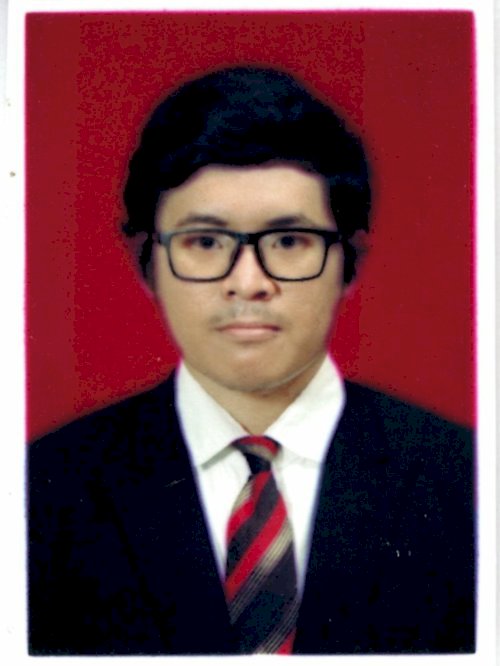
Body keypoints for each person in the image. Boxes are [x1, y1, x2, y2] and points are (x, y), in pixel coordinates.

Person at [28, 66, 475, 655]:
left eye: (288, 241)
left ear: (349, 259)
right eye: (205, 241)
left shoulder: (469, 481)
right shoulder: (41, 489)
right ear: (148, 262)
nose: (248, 282)